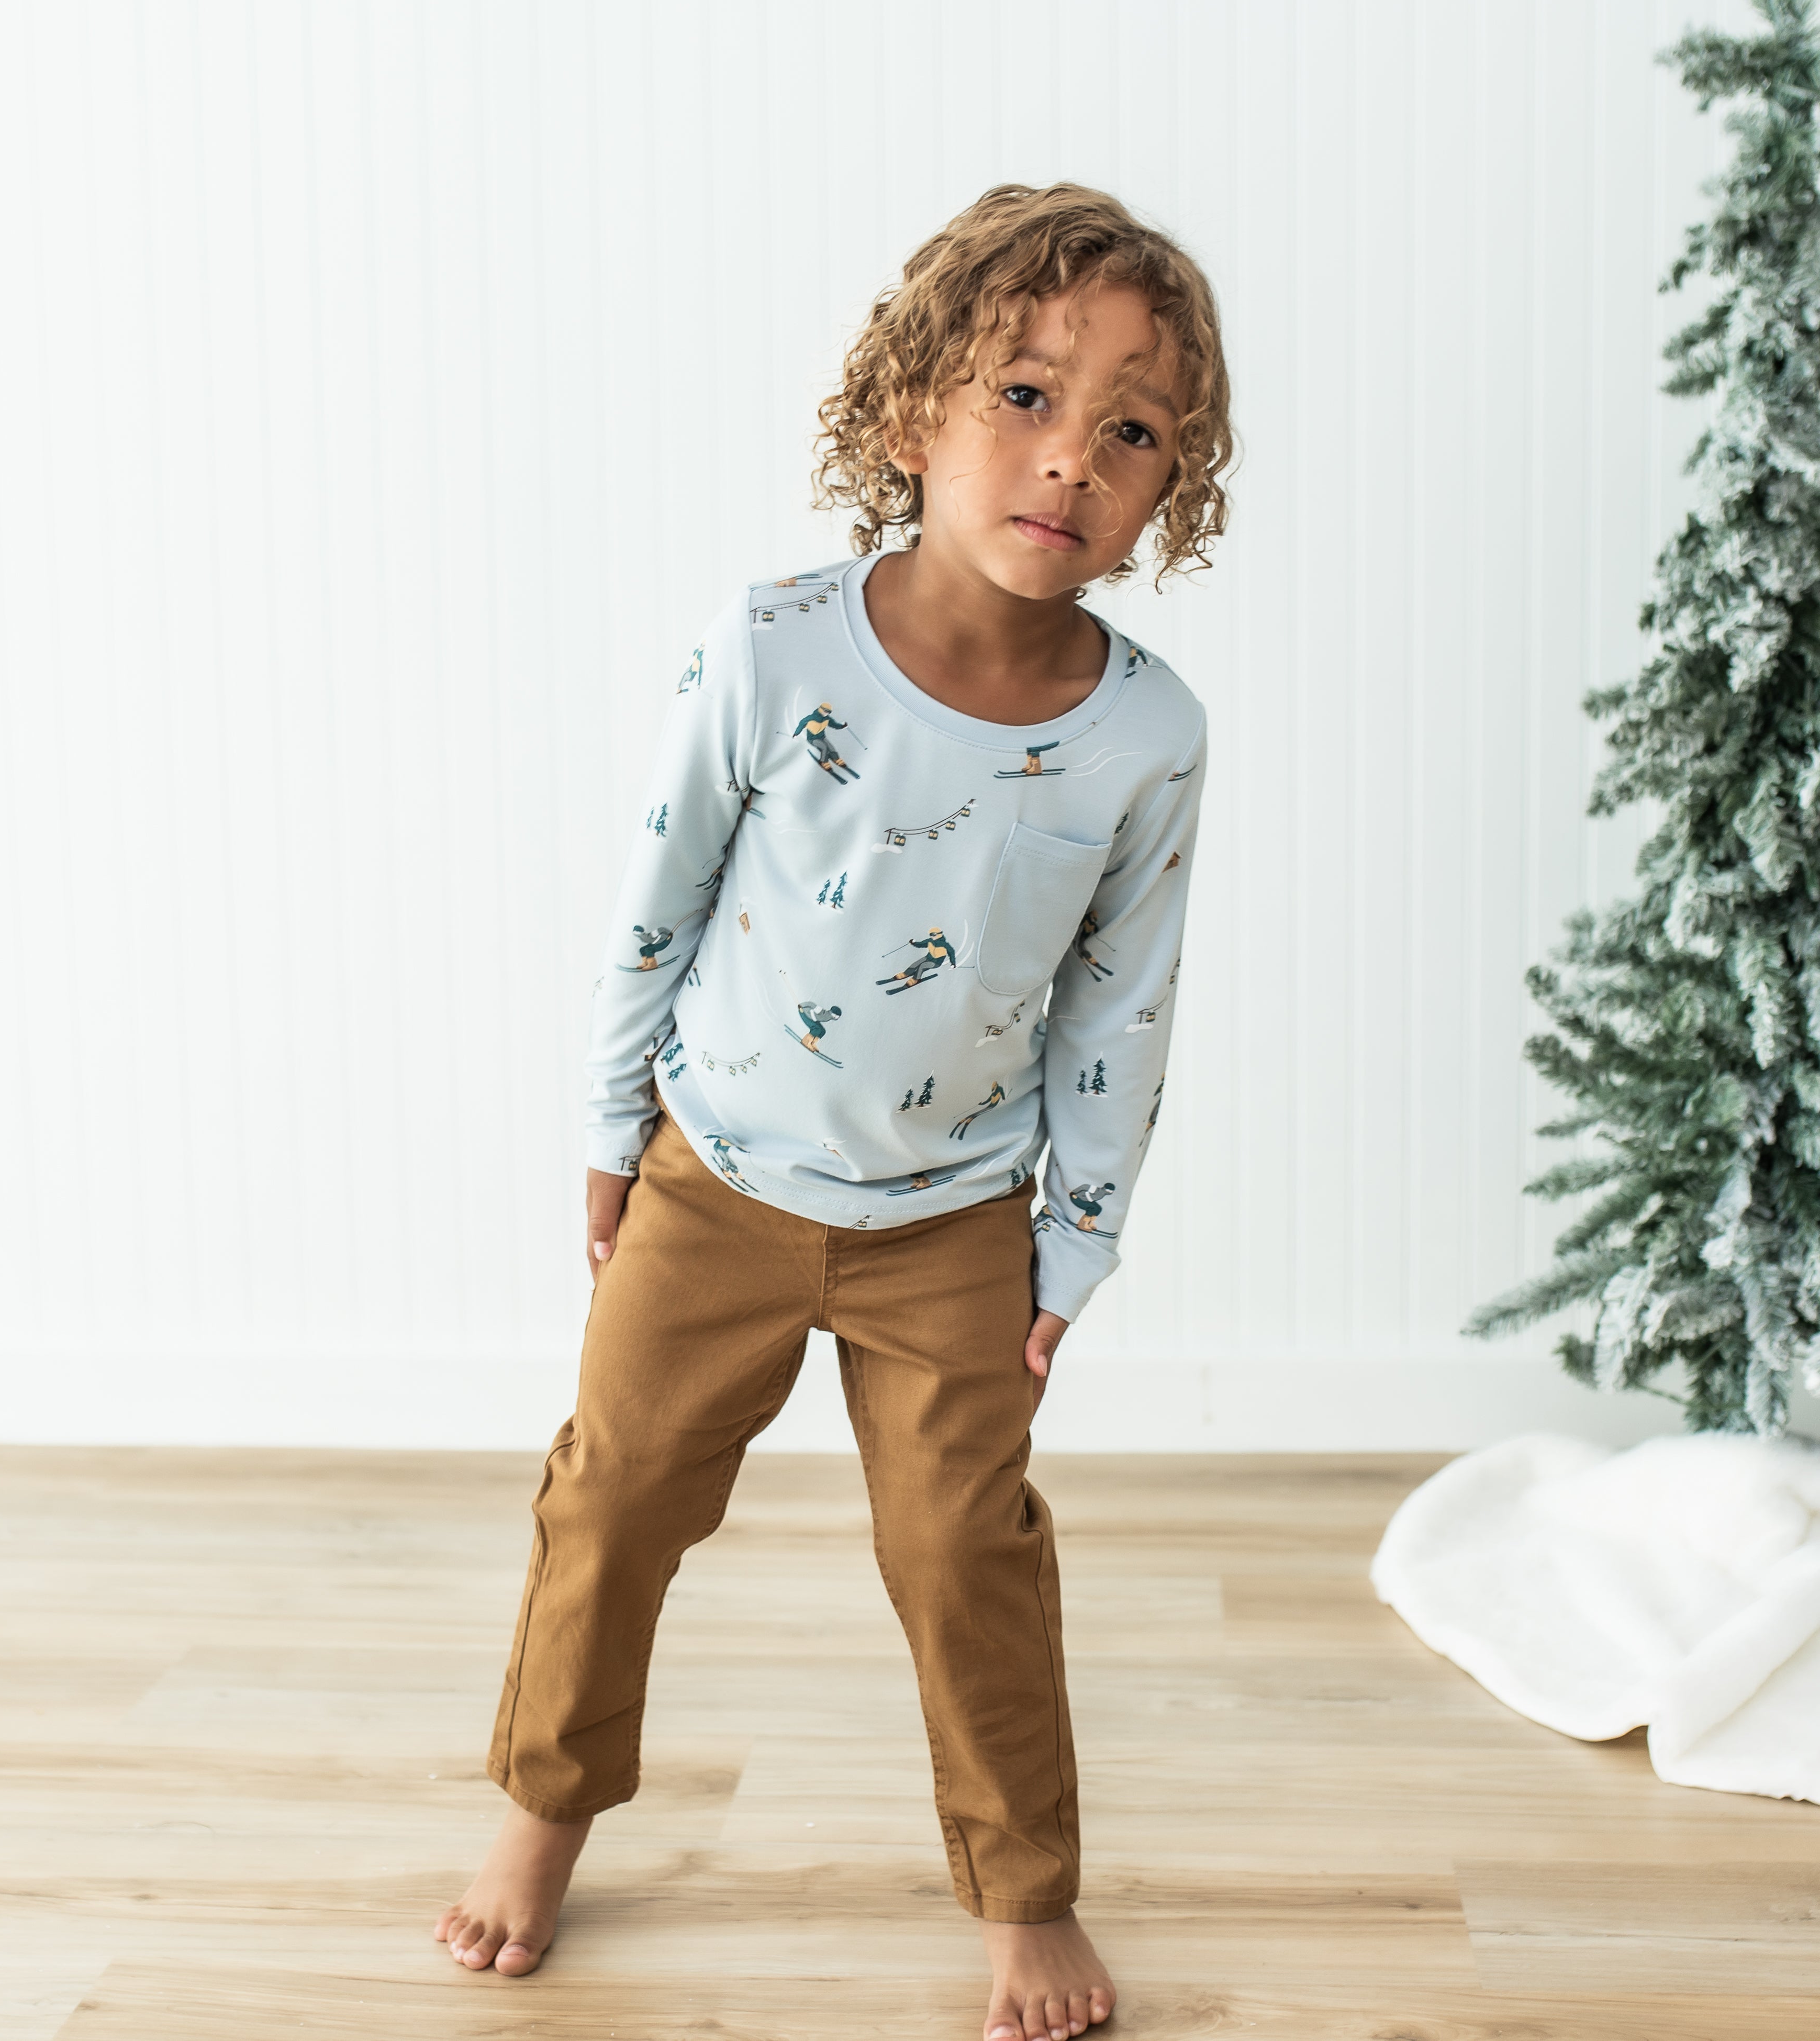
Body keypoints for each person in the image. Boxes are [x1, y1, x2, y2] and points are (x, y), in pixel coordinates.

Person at [435, 179, 1232, 2041]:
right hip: (713, 1173)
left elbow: (1126, 996)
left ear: (1167, 488)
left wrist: (1076, 1236)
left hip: (954, 1217)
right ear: (909, 417)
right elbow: (665, 886)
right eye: (1026, 397)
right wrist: (608, 1123)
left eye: (1131, 430)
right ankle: (546, 1806)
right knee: (613, 1496)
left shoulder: (1146, 735)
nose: (1072, 458)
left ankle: (1024, 1888)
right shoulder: (777, 643)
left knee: (965, 1554)